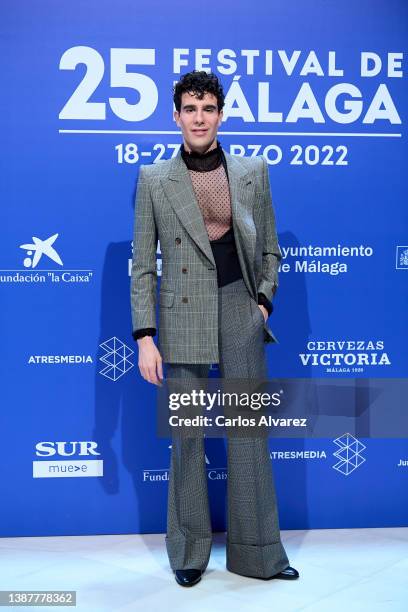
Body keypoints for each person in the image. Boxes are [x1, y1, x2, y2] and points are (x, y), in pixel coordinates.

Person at [130, 70, 299, 587]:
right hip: (181, 313)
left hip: (237, 308)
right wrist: (144, 336)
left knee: (248, 432)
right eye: (190, 109)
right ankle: (188, 552)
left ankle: (259, 554)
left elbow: (269, 246)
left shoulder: (253, 170)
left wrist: (262, 304)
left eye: (208, 109)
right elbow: (142, 265)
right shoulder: (154, 179)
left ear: (220, 115)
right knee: (186, 436)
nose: (199, 118)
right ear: (176, 116)